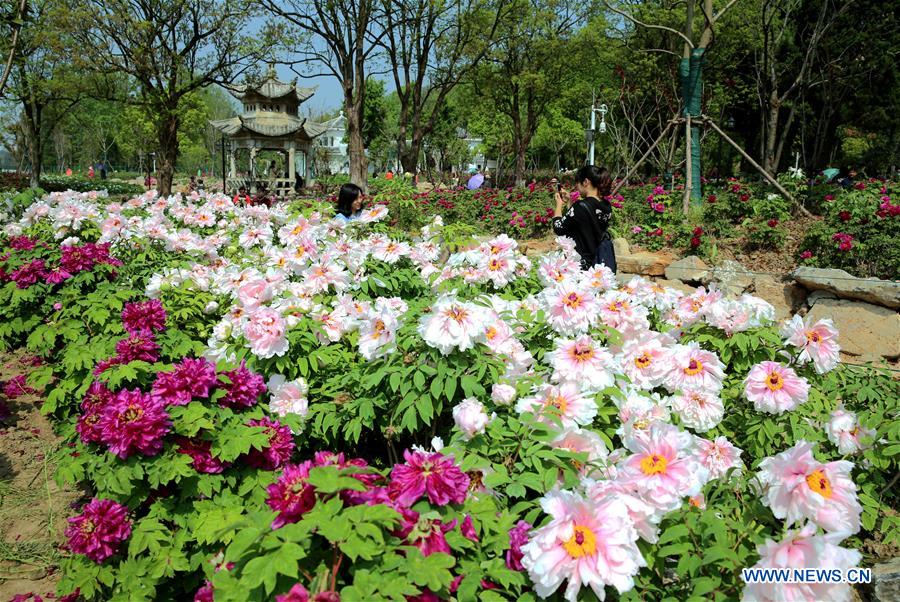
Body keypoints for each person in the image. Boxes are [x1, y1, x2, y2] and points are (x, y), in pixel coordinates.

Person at [551, 164, 616, 272]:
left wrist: (558, 205)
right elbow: (582, 222)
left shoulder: (580, 206)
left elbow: (558, 228)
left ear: (586, 182)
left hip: (581, 266)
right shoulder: (606, 205)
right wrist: (570, 201)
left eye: (577, 183)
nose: (577, 187)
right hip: (598, 262)